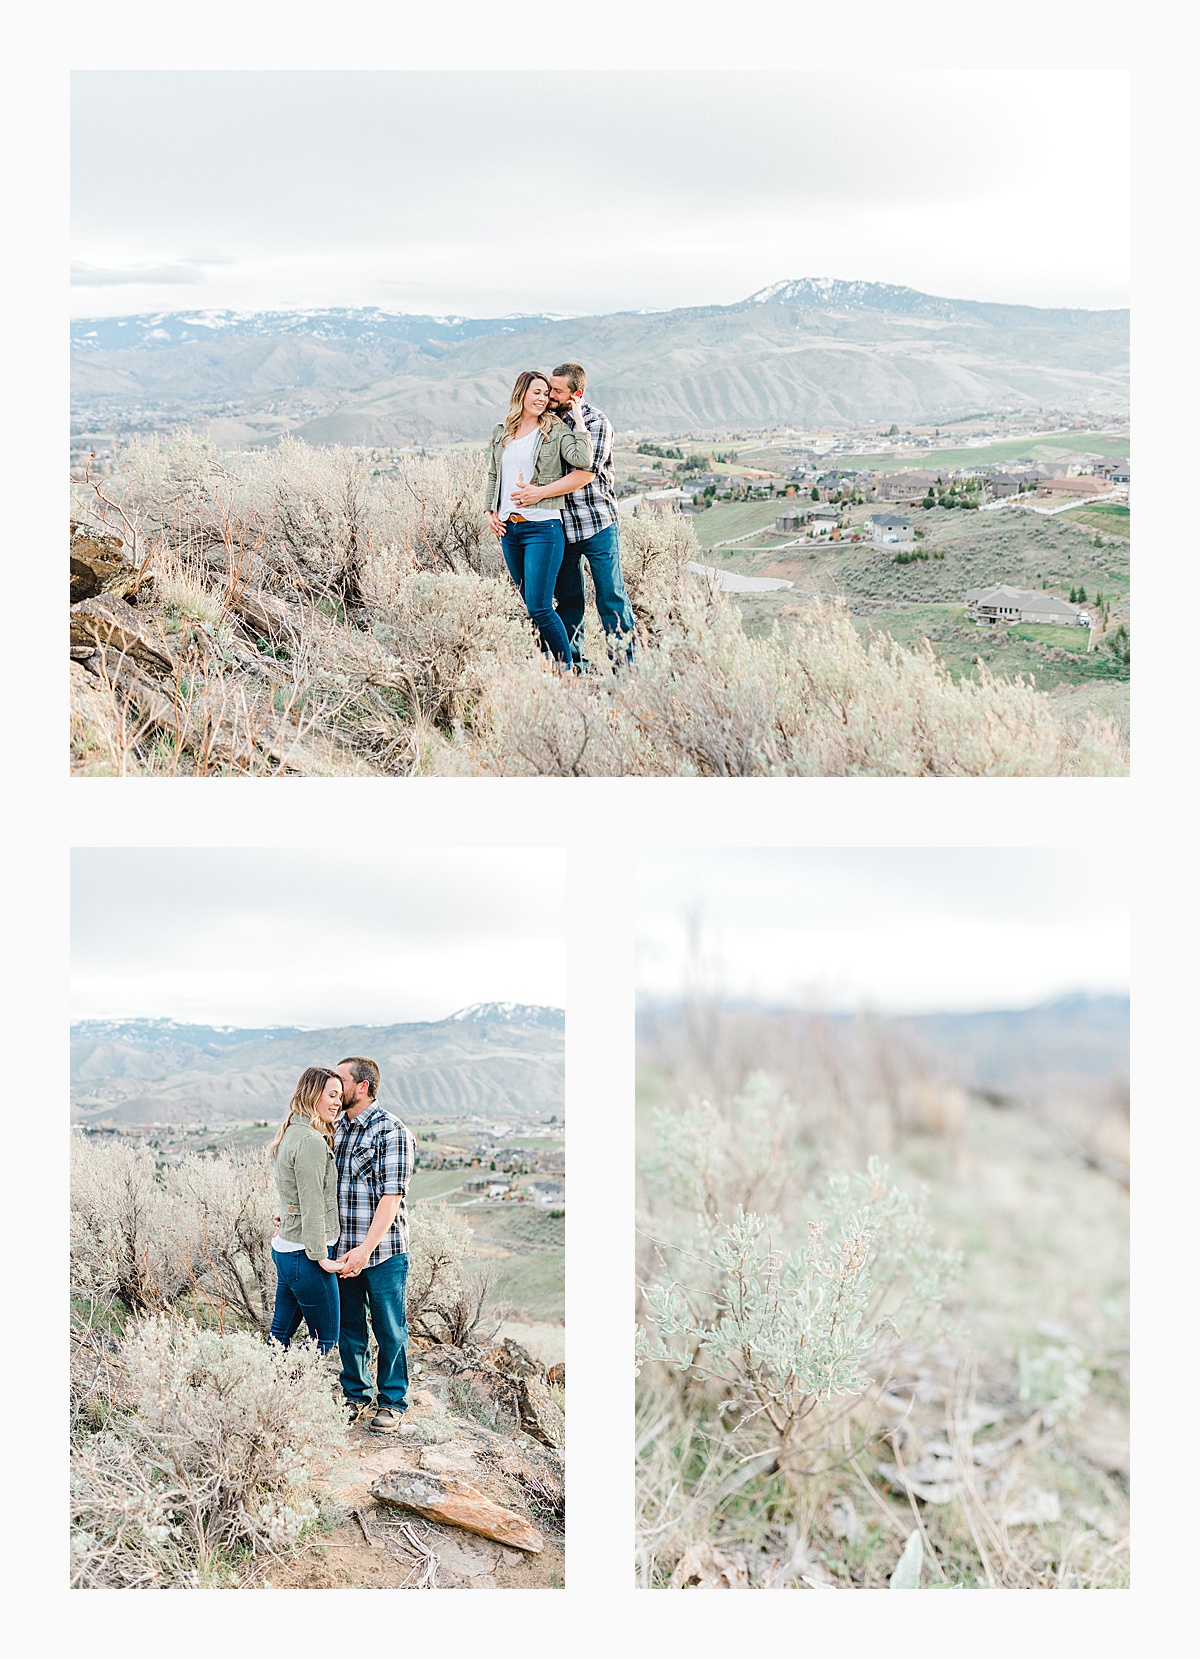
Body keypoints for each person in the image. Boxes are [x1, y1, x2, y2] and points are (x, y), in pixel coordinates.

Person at [483, 369, 595, 669]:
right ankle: (544, 666)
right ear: (521, 393)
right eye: (537, 392)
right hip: (510, 530)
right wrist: (488, 512)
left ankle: (567, 669)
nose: (543, 398)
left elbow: (583, 461)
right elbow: (494, 475)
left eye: (546, 394)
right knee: (530, 608)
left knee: (541, 606)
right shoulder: (500, 431)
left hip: (543, 527)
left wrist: (580, 422)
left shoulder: (554, 429)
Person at [332, 1056, 417, 1431]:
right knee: (349, 1328)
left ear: (362, 1086)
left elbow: (392, 1197)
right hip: (340, 1250)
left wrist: (365, 1250)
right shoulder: (335, 1127)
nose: (333, 1086)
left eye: (340, 1080)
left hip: (382, 1253)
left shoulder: (391, 1131)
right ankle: (356, 1396)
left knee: (389, 1328)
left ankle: (393, 1401)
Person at [541, 362, 635, 669]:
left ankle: (626, 670)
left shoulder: (597, 422)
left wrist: (538, 494)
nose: (550, 395)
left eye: (556, 390)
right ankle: (573, 666)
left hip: (598, 524)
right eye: (549, 387)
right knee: (568, 602)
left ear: (576, 393)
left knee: (611, 598)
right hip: (560, 528)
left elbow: (585, 473)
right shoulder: (546, 422)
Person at [267, 1067, 345, 1356]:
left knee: (279, 1336)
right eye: (332, 1095)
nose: (337, 1102)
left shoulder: (292, 1132)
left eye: (340, 1096)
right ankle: (293, 1391)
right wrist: (322, 1259)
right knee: (325, 1339)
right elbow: (313, 1206)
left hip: (287, 1250)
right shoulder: (311, 1142)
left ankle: (268, 1394)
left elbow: (294, 1196)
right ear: (313, 1095)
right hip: (306, 1254)